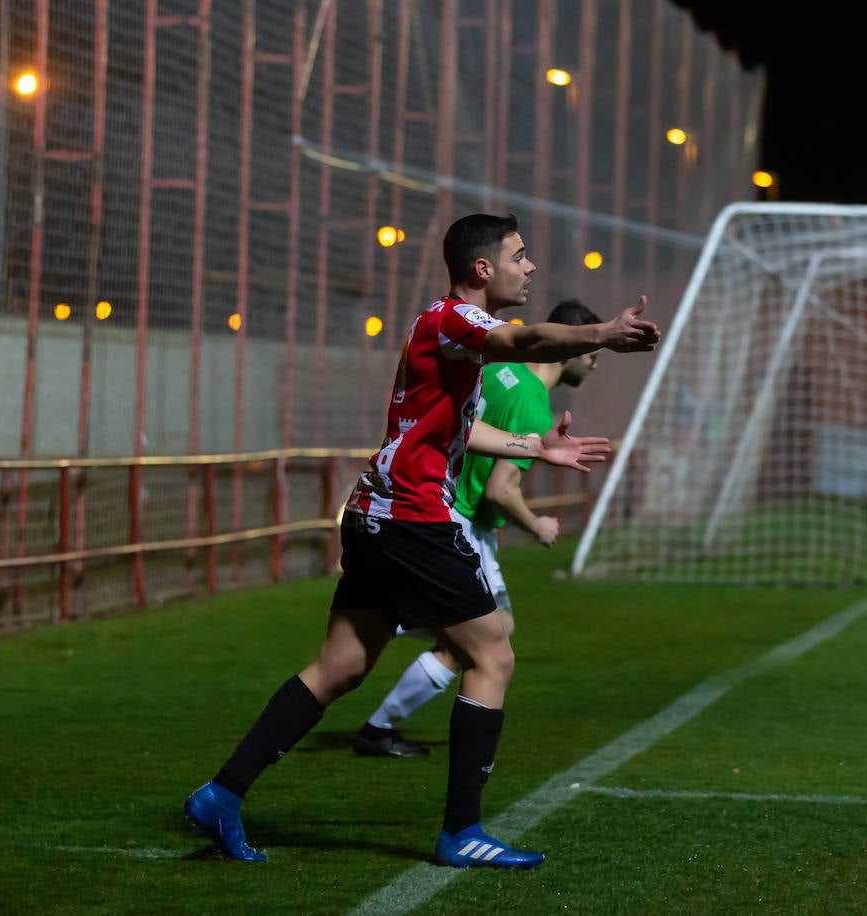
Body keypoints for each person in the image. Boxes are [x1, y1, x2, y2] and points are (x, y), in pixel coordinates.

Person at [182, 213, 660, 868]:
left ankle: (221, 794)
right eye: (520, 256)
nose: (531, 268)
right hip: (412, 519)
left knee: (341, 667)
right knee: (493, 656)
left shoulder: (444, 332)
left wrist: (534, 450)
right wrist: (602, 331)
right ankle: (461, 831)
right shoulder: (457, 321)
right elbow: (528, 337)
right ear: (482, 270)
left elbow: (458, 434)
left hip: (376, 514)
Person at [352, 298, 603, 759]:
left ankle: (384, 699)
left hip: (442, 508)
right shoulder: (534, 407)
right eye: (590, 356)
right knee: (481, 641)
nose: (591, 367)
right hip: (460, 523)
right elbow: (500, 491)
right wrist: (537, 526)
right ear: (566, 351)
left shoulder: (495, 375)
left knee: (482, 632)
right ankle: (379, 727)